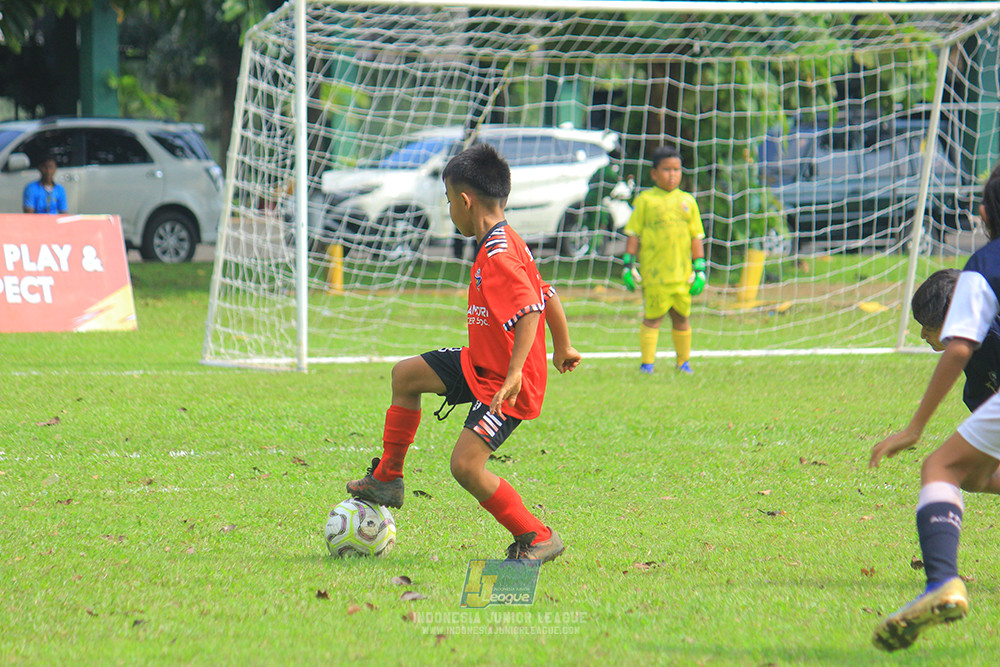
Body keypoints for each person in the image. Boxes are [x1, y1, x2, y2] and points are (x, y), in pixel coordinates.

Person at [345, 143, 581, 563]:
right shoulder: (505, 240)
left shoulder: (499, 254)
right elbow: (547, 293)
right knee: (406, 376)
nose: (449, 209)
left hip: (506, 383)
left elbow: (530, 310)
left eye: (449, 200)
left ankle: (538, 536)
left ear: (465, 201)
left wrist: (514, 374)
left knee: (466, 467)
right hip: (481, 363)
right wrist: (562, 345)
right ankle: (388, 478)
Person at [869, 165, 1000, 652]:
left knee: (942, 468)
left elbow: (960, 346)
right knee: (975, 473)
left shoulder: (984, 266)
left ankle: (942, 581)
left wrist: (914, 427)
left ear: (985, 214)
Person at [621, 146, 706, 374]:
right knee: (653, 318)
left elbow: (696, 236)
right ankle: (647, 364)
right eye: (666, 169)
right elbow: (633, 234)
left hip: (682, 276)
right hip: (655, 275)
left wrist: (700, 268)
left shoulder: (687, 201)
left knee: (682, 318)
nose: (672, 175)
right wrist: (628, 265)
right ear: (654, 173)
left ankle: (683, 363)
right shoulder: (646, 200)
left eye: (676, 169)